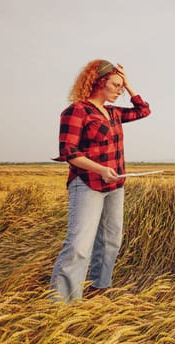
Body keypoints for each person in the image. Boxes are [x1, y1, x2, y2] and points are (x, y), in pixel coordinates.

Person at [50, 59, 151, 302]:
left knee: (110, 241)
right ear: (98, 84)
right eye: (115, 85)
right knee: (79, 245)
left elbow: (143, 110)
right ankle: (61, 304)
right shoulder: (77, 111)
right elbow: (69, 153)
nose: (119, 91)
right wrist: (101, 169)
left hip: (115, 186)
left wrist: (128, 83)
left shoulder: (114, 113)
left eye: (121, 86)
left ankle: (99, 288)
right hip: (87, 184)